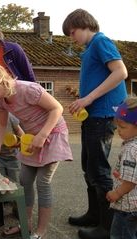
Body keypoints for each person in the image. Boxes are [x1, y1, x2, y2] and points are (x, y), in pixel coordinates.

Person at [0, 62, 73, 239]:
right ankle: (25, 224)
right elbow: (2, 124)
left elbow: (57, 108)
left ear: (3, 81)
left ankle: (41, 230)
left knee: (43, 183)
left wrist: (43, 135)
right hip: (32, 138)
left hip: (52, 134)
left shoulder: (28, 90)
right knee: (25, 179)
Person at [63, 9, 128, 239]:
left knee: (99, 170)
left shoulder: (101, 41)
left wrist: (88, 98)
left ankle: (108, 227)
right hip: (91, 115)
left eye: (72, 33)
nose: (73, 39)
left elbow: (121, 72)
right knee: (88, 167)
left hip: (102, 115)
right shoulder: (90, 48)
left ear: (83, 25)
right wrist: (84, 98)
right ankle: (95, 214)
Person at [106, 98, 137, 239]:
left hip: (127, 207)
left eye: (123, 127)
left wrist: (116, 193)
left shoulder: (130, 150)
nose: (118, 130)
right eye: (117, 126)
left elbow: (130, 181)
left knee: (120, 235)